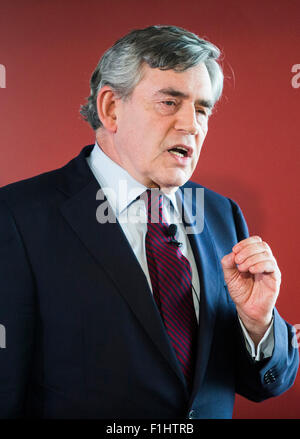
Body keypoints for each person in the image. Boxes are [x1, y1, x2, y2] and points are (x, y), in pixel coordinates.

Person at [0, 25, 298, 419]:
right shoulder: (17, 217)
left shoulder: (223, 215)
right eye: (170, 103)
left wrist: (258, 324)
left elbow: (265, 384)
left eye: (202, 109)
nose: (192, 125)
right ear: (110, 109)